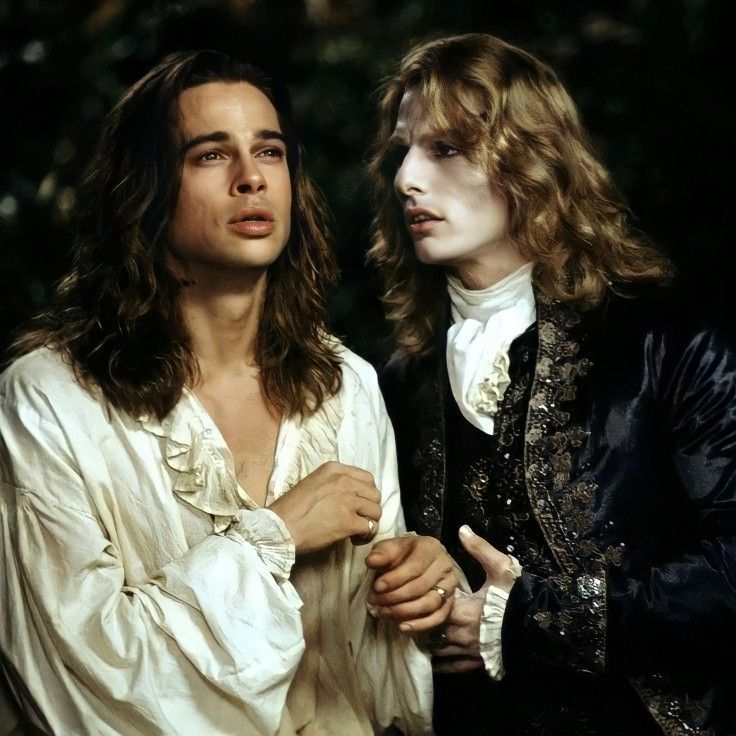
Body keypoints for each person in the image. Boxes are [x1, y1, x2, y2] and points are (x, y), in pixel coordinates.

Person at [0, 50, 457, 736]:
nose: (251, 178)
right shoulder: (48, 400)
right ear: (145, 190)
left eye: (269, 151)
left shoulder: (346, 386)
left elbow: (375, 671)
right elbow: (76, 679)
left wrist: (421, 589)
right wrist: (274, 537)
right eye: (210, 155)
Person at [368, 33, 736, 735]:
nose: (407, 178)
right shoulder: (395, 383)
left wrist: (527, 621)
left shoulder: (664, 339)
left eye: (447, 148)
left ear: (530, 157)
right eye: (403, 151)